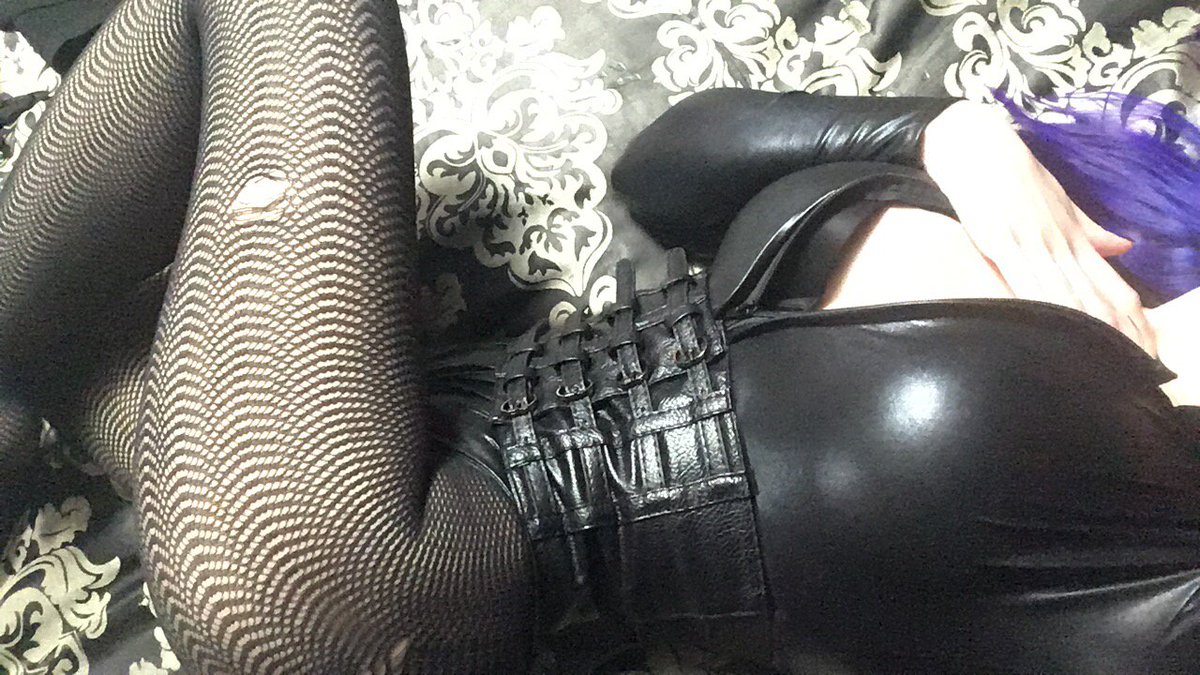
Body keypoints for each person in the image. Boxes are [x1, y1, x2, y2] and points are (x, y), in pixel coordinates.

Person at [0, 1, 1197, 674]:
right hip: (393, 427)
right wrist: (940, 132)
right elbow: (665, 172)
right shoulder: (1087, 223)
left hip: (356, 583)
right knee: (72, 344)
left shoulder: (1167, 555)